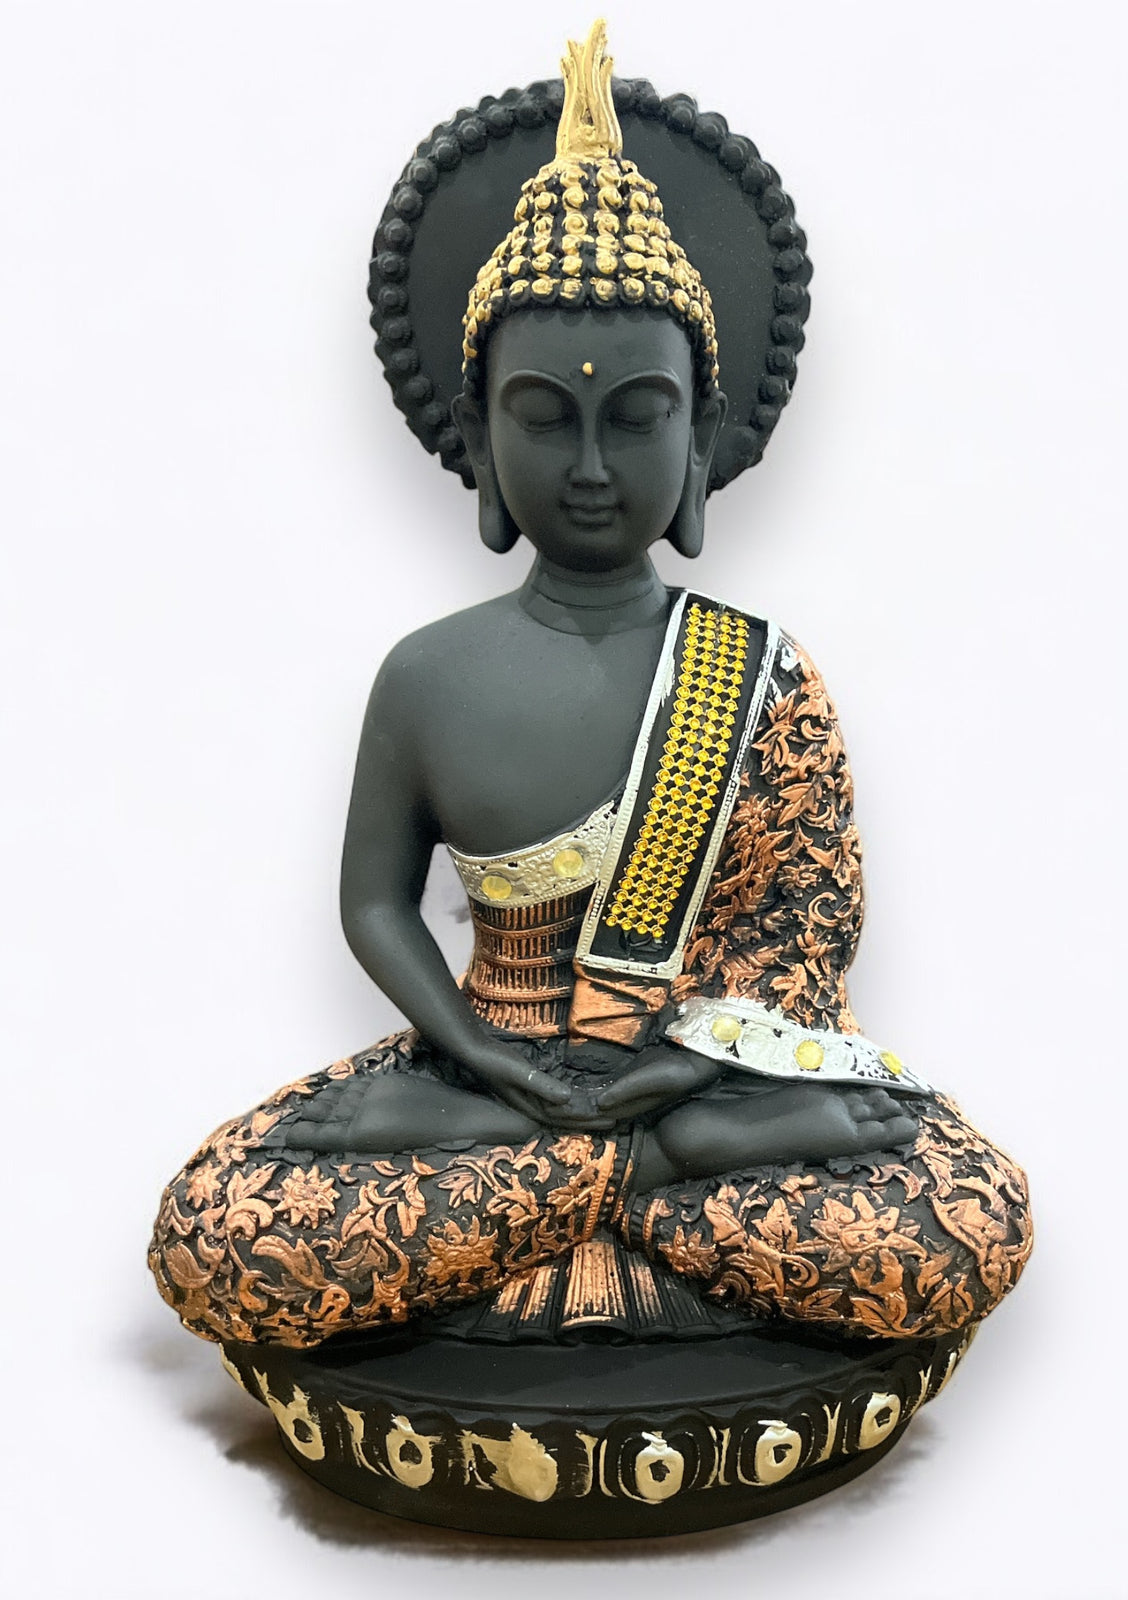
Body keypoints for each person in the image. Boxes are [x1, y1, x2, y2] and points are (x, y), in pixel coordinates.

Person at [150, 24, 1030, 1354]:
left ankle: (599, 1167)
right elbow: (374, 903)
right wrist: (481, 1059)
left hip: (705, 1078)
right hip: (491, 1059)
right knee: (217, 1226)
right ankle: (647, 1177)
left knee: (959, 1217)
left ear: (700, 438)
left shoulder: (763, 674)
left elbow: (804, 930)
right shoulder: (425, 674)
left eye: (637, 415)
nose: (592, 466)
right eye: (545, 417)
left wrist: (673, 1077)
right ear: (480, 435)